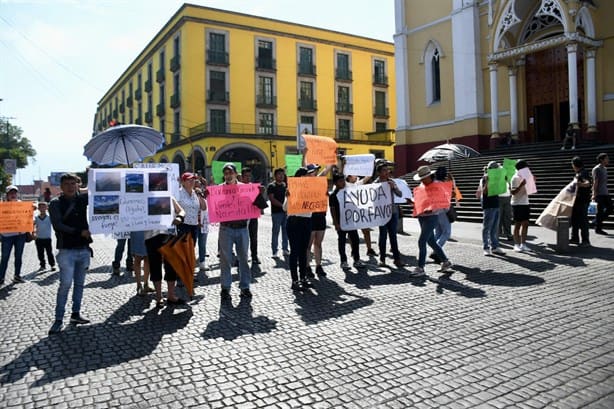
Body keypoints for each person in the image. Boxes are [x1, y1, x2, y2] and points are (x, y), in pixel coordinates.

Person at [48, 173, 92, 334]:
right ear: (61, 186)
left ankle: (76, 314)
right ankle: (58, 319)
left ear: (77, 185)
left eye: (73, 183)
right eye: (67, 184)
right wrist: (79, 232)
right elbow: (58, 225)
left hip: (84, 249)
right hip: (66, 250)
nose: (70, 186)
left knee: (79, 284)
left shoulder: (82, 199)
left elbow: (100, 199)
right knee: (65, 285)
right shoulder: (55, 203)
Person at [218, 163, 252, 300]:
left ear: (236, 173)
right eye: (226, 173)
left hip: (242, 228)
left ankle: (245, 287)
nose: (228, 175)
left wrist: (258, 194)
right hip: (226, 229)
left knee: (243, 258)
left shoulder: (245, 188)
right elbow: (213, 207)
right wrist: (207, 196)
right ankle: (225, 288)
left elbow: (255, 204)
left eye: (230, 172)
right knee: (226, 259)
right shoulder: (218, 190)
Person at [144, 198, 187, 308]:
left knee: (171, 266)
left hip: (169, 235)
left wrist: (179, 217)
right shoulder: (144, 197)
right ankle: (158, 297)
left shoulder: (169, 196)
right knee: (155, 265)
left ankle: (171, 295)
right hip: (151, 236)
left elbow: (182, 211)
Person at [412, 166, 452, 276]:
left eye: (424, 178)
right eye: (421, 178)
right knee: (431, 241)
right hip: (422, 215)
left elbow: (445, 202)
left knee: (422, 241)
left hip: (432, 216)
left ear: (430, 176)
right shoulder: (421, 186)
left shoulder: (438, 185)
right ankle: (445, 261)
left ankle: (420, 267)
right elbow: (421, 199)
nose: (422, 180)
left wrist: (433, 209)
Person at [284, 166, 317, 291]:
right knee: (295, 251)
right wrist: (288, 197)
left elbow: (314, 207)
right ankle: (295, 280)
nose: (310, 177)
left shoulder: (312, 189)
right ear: (301, 177)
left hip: (306, 221)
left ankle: (303, 278)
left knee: (304, 251)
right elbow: (285, 208)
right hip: (294, 221)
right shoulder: (291, 188)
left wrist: (320, 197)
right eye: (307, 175)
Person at [329, 173, 365, 270]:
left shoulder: (349, 192)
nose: (343, 183)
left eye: (343, 181)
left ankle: (357, 260)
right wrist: (336, 223)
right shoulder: (333, 195)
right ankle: (343, 261)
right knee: (342, 241)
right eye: (340, 181)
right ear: (336, 183)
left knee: (355, 240)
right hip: (340, 222)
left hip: (351, 221)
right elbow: (332, 210)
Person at [373, 161, 404, 268]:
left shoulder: (391, 181)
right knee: (383, 237)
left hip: (393, 213)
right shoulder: (375, 184)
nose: (387, 172)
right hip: (382, 214)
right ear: (379, 173)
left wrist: (394, 188)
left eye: (387, 170)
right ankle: (382, 259)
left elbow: (400, 194)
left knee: (393, 236)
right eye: (384, 170)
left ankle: (397, 259)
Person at [306, 163, 332, 278]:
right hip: (309, 217)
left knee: (318, 243)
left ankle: (318, 266)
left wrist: (331, 158)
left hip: (320, 215)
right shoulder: (304, 183)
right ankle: (307, 266)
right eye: (313, 171)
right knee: (308, 244)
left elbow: (327, 169)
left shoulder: (320, 181)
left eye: (316, 171)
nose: (315, 172)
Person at [0, 185, 29, 284]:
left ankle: (17, 276)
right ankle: (1, 277)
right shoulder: (1, 206)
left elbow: (27, 219)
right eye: (11, 193)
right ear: (7, 195)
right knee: (4, 257)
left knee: (19, 256)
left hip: (20, 234)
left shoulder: (22, 205)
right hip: (6, 235)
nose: (13, 195)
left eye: (14, 193)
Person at [345, 174, 377, 257]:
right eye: (353, 175)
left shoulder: (358, 184)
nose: (356, 176)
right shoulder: (345, 185)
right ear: (349, 177)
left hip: (361, 212)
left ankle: (369, 249)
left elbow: (368, 177)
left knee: (366, 231)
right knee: (352, 233)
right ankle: (353, 250)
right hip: (351, 212)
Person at [479, 162, 506, 256]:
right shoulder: (486, 177)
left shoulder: (496, 178)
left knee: (494, 227)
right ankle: (486, 247)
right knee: (487, 227)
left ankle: (495, 246)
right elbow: (485, 192)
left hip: (496, 203)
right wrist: (488, 181)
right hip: (489, 205)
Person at [241, 167, 263, 264]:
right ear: (242, 177)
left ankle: (254, 256)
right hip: (241, 217)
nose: (248, 178)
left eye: (249, 176)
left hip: (252, 216)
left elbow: (260, 202)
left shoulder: (254, 187)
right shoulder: (237, 187)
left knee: (253, 237)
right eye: (246, 176)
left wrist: (261, 192)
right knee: (241, 238)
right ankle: (241, 257)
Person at [510, 160, 533, 251]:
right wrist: (521, 185)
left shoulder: (526, 177)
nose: (528, 168)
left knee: (526, 224)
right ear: (522, 168)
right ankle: (516, 244)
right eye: (526, 167)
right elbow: (513, 192)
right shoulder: (515, 177)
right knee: (518, 224)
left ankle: (523, 244)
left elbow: (529, 191)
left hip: (525, 203)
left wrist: (532, 184)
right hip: (517, 204)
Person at [570, 156, 592, 246]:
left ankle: (585, 241)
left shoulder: (583, 173)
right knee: (574, 220)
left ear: (575, 165)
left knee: (583, 221)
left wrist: (578, 184)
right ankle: (575, 238)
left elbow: (587, 183)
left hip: (582, 201)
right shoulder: (579, 173)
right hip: (577, 201)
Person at [267, 168, 289, 258]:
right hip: (276, 213)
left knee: (285, 231)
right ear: (275, 176)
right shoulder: (271, 186)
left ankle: (285, 249)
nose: (281, 176)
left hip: (286, 212)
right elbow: (272, 199)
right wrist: (283, 206)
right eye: (279, 174)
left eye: (282, 174)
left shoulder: (285, 185)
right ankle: (274, 251)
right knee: (275, 232)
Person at [34, 201, 56, 272]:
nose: (42, 209)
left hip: (47, 238)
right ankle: (42, 265)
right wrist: (33, 234)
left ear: (47, 208)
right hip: (38, 238)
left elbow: (56, 224)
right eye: (41, 207)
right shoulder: (36, 218)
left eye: (44, 207)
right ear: (38, 208)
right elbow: (32, 226)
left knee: (49, 252)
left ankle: (52, 265)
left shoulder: (50, 218)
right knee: (40, 253)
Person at [592, 153, 611, 235]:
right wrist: (594, 193)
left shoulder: (605, 169)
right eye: (606, 158)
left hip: (605, 192)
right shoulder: (597, 169)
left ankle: (596, 221)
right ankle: (598, 228)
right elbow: (595, 182)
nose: (608, 160)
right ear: (601, 160)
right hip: (599, 193)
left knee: (610, 208)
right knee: (599, 211)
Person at [130, 230, 153, 295]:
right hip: (137, 230)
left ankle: (146, 284)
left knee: (147, 258)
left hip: (148, 231)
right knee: (138, 258)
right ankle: (138, 285)